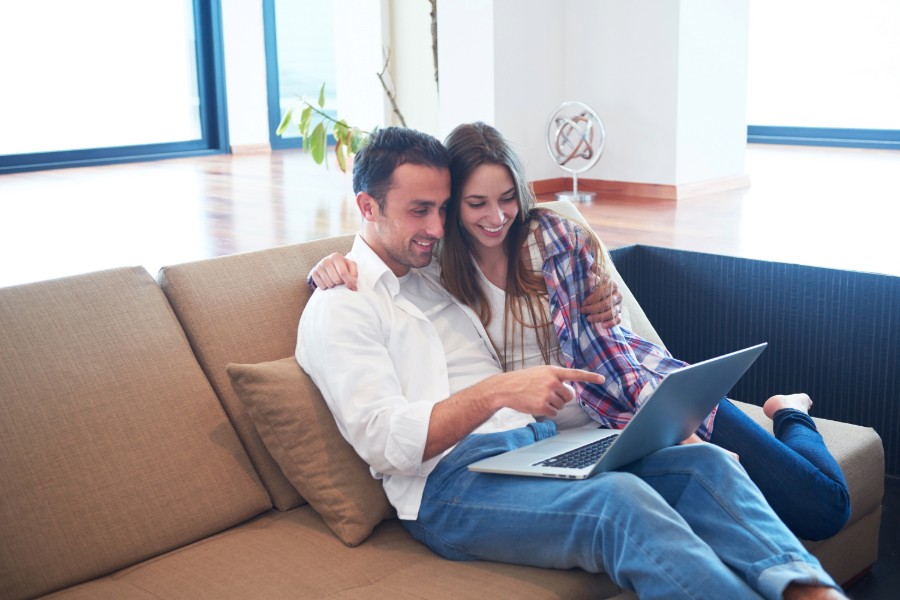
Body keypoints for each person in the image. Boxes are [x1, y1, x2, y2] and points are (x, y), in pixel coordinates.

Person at [297, 126, 846, 599]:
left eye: (442, 209)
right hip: (450, 489)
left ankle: (809, 588)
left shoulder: (432, 269)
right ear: (367, 207)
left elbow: (561, 302)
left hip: (536, 450)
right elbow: (383, 442)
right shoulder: (343, 304)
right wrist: (500, 392)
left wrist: (601, 302)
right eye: (421, 211)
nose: (438, 228)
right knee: (617, 503)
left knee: (707, 465)